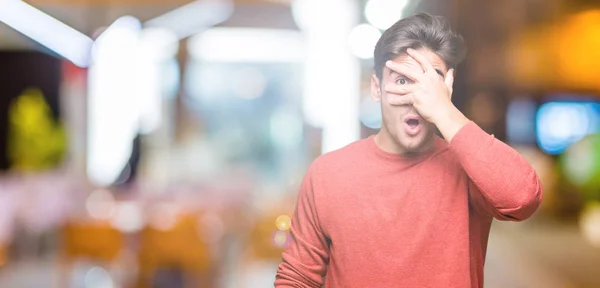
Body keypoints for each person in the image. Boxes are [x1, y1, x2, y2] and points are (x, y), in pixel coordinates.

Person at [274, 13, 542, 288]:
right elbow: (297, 278)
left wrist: (445, 112)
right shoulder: (327, 174)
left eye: (430, 83)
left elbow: (523, 198)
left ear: (446, 89)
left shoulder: (469, 168)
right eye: (402, 80)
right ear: (377, 88)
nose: (417, 98)